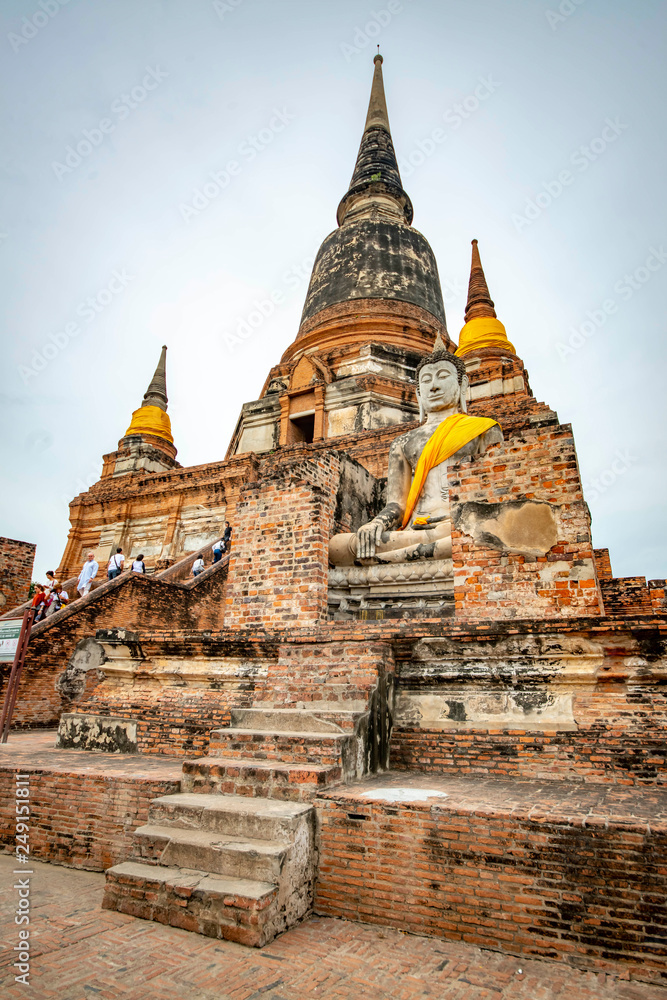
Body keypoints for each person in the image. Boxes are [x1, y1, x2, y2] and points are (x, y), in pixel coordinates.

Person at [329, 346, 503, 566]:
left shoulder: (484, 430)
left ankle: (393, 559)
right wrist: (376, 524)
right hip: (415, 529)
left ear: (463, 385)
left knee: (482, 533)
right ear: (418, 393)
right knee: (338, 546)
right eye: (426, 380)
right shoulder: (403, 442)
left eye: (442, 376)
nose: (434, 386)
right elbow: (397, 505)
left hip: (461, 524)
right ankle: (417, 552)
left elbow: (497, 495)